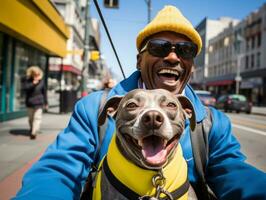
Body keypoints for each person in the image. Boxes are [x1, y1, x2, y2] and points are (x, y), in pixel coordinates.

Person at [14, 5, 266, 199]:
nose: (172, 57)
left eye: (185, 50)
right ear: (139, 60)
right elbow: (59, 170)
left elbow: (233, 171)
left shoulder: (211, 122)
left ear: (191, 65)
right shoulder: (95, 108)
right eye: (159, 47)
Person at [24, 66, 47, 140]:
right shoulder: (28, 81)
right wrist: (33, 84)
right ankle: (32, 128)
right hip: (30, 103)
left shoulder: (42, 82)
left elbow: (44, 93)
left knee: (37, 118)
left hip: (39, 103)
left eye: (38, 74)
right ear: (32, 74)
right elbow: (26, 89)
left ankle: (34, 132)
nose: (36, 76)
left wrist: (46, 102)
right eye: (35, 74)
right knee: (30, 119)